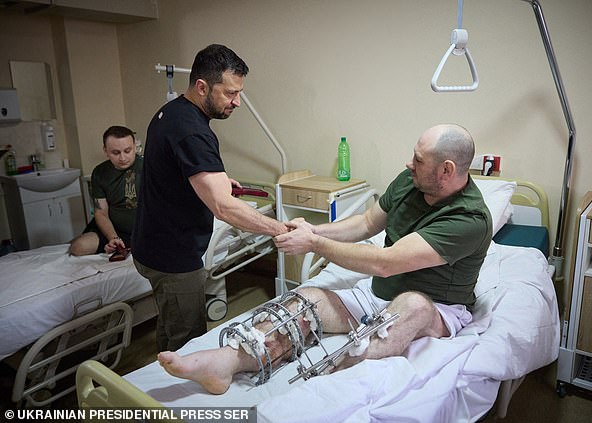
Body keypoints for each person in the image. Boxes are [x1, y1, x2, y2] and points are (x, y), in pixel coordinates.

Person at [154, 123, 493, 395]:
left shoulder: (468, 220)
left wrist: (314, 244)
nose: (409, 164)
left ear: (447, 170)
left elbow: (385, 263)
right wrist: (314, 230)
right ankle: (227, 362)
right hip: (378, 295)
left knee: (414, 305)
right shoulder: (410, 182)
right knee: (307, 300)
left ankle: (331, 380)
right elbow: (364, 223)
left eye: (419, 159)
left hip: (437, 309)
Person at [132, 44, 288, 353]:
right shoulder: (193, 131)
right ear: (202, 86)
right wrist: (279, 229)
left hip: (149, 245)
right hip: (173, 258)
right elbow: (223, 207)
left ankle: (159, 385)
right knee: (187, 342)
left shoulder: (171, 112)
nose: (238, 102)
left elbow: (170, 169)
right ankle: (173, 400)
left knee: (169, 325)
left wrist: (209, 179)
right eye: (230, 93)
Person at [69, 125, 141, 256]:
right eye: (116, 153)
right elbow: (101, 213)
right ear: (105, 151)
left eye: (127, 151)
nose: (123, 158)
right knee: (77, 247)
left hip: (144, 232)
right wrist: (113, 238)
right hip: (114, 230)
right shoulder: (100, 173)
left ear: (135, 147)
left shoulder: (149, 167)